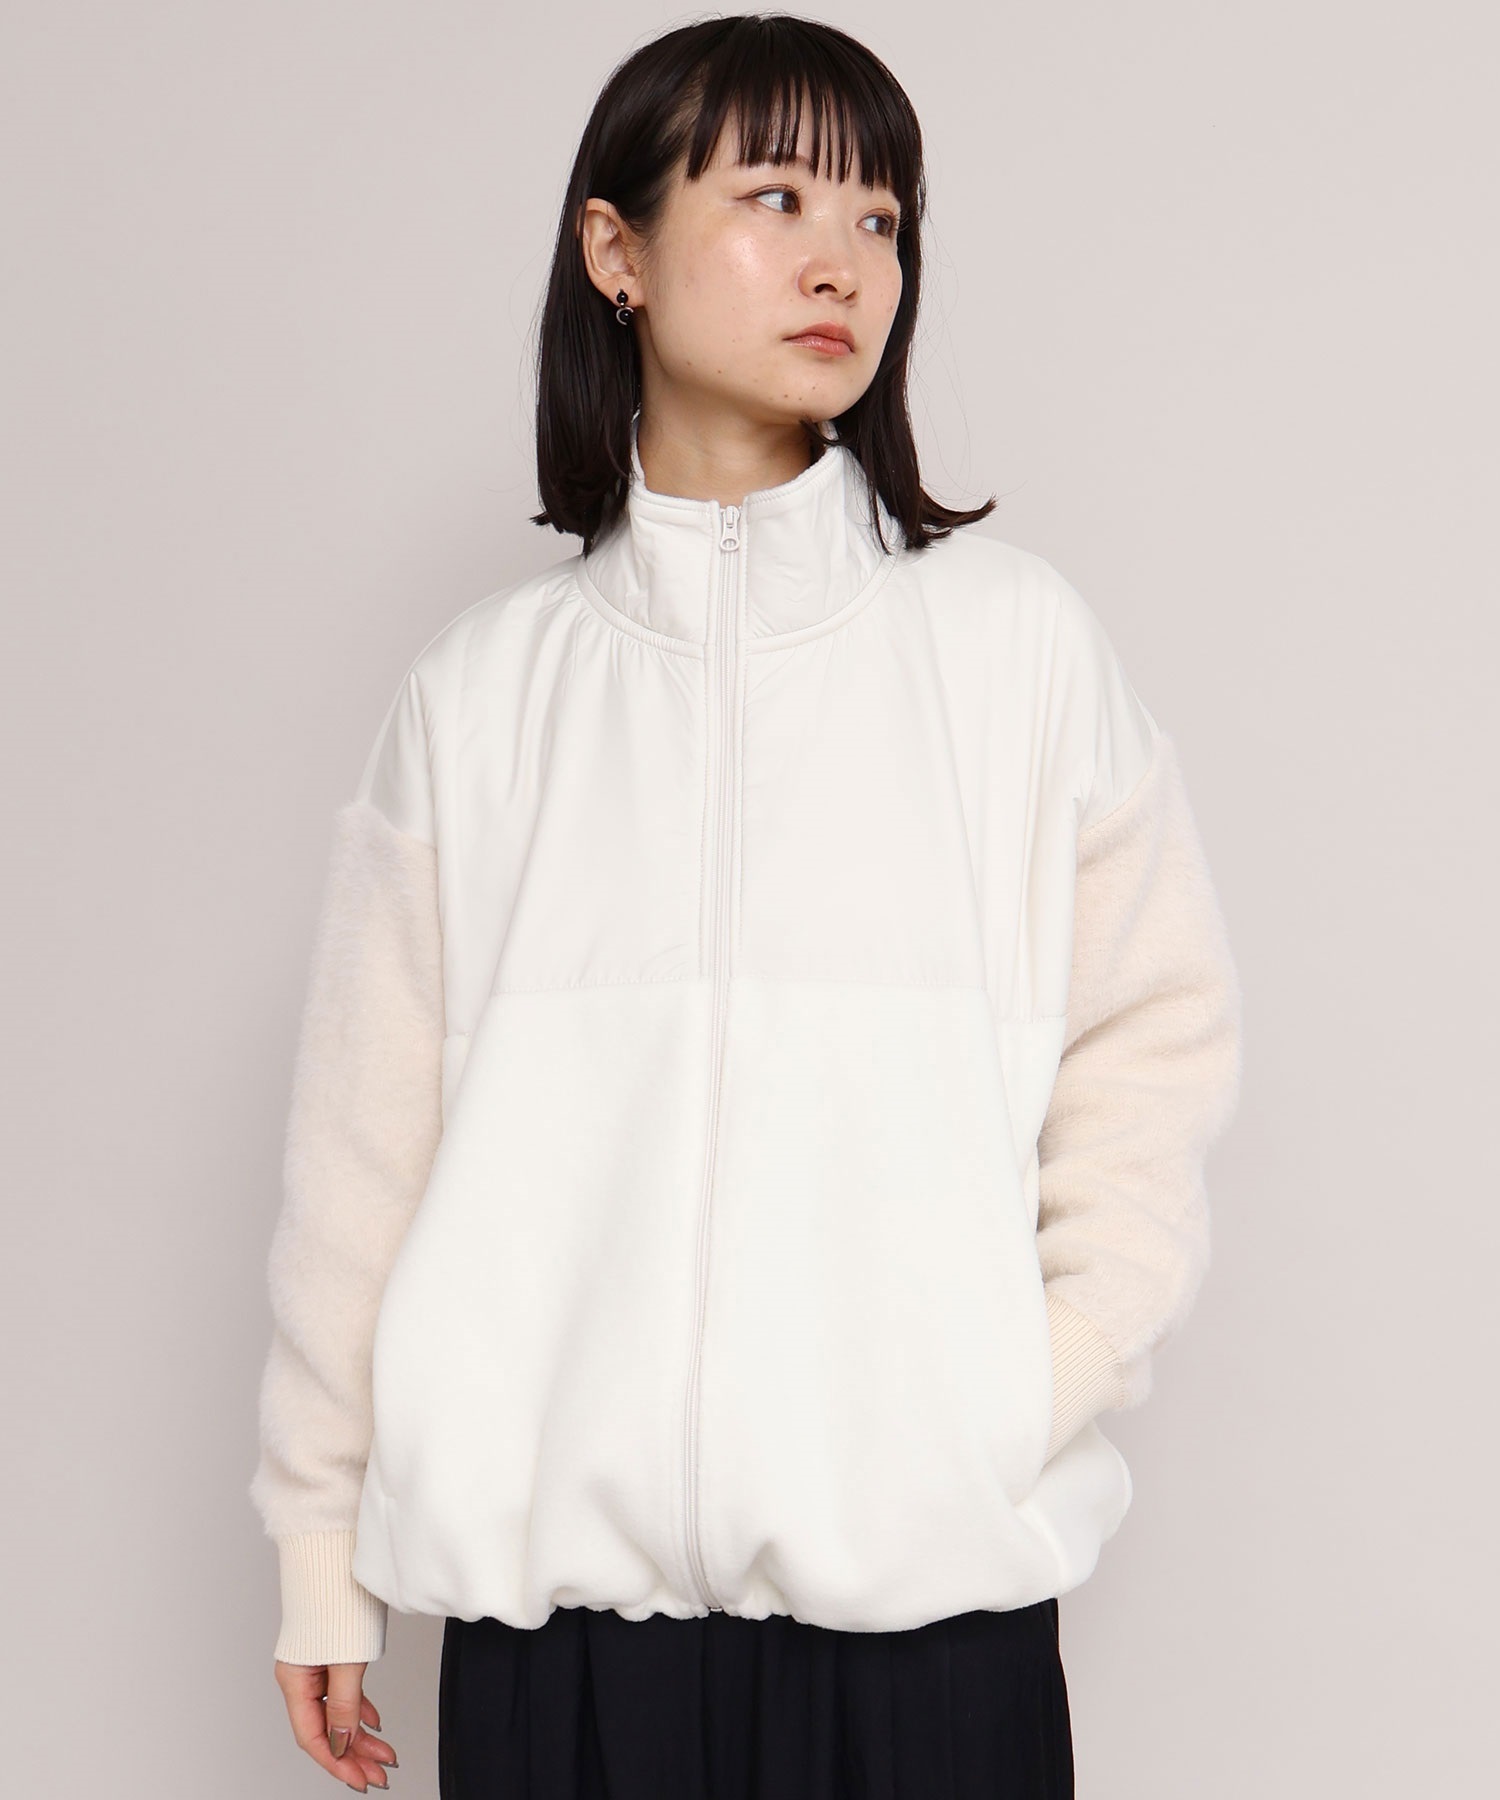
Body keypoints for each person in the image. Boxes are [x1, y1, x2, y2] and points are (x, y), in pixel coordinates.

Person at [248, 14, 1244, 1798]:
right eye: (776, 196)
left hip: (929, 1632)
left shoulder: (1016, 651)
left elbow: (1152, 1051)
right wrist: (322, 1537)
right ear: (615, 251)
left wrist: (1017, 1385)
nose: (842, 260)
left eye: (880, 217)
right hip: (563, 1664)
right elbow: (361, 1155)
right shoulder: (480, 699)